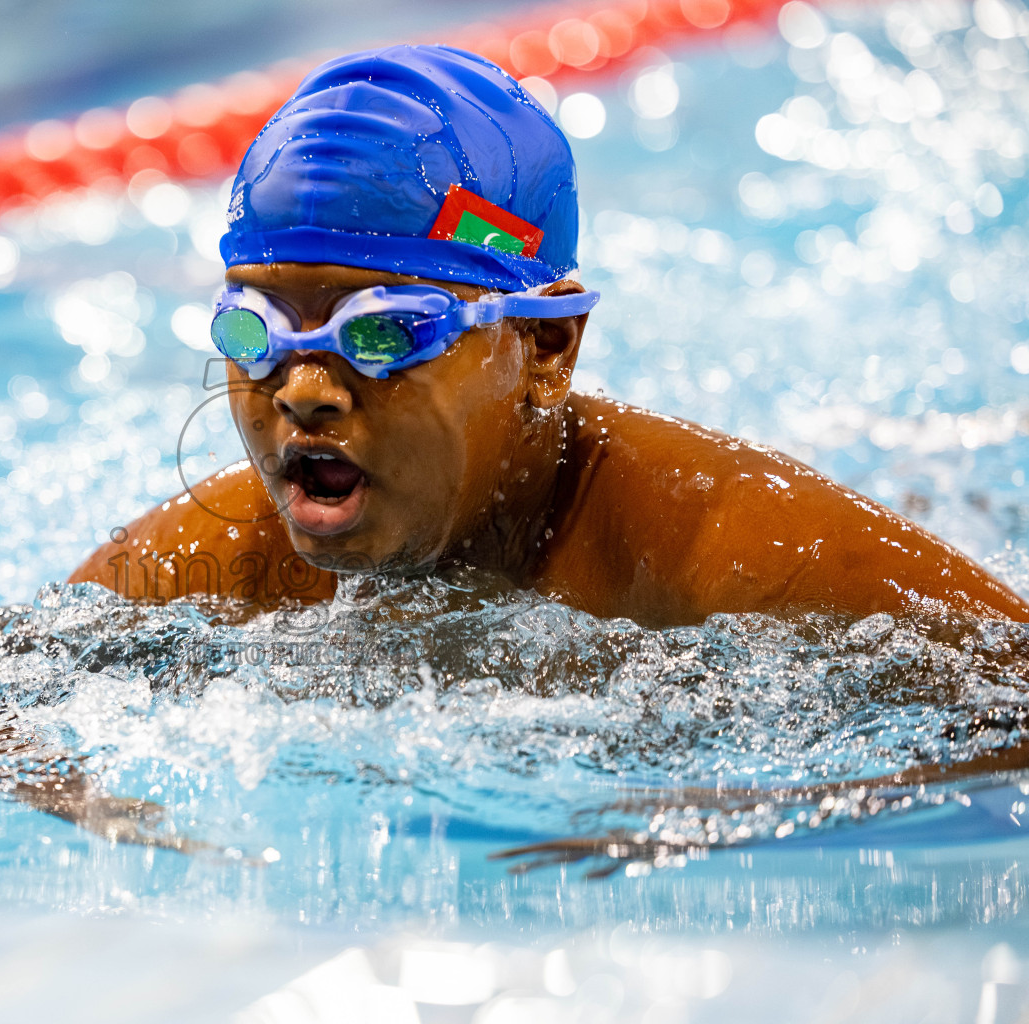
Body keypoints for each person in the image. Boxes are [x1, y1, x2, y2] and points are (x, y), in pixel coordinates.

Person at [69, 44, 1028, 629]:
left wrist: (712, 813)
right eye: (258, 328)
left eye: (387, 330)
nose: (304, 387)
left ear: (548, 348)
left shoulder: (731, 553)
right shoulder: (221, 558)